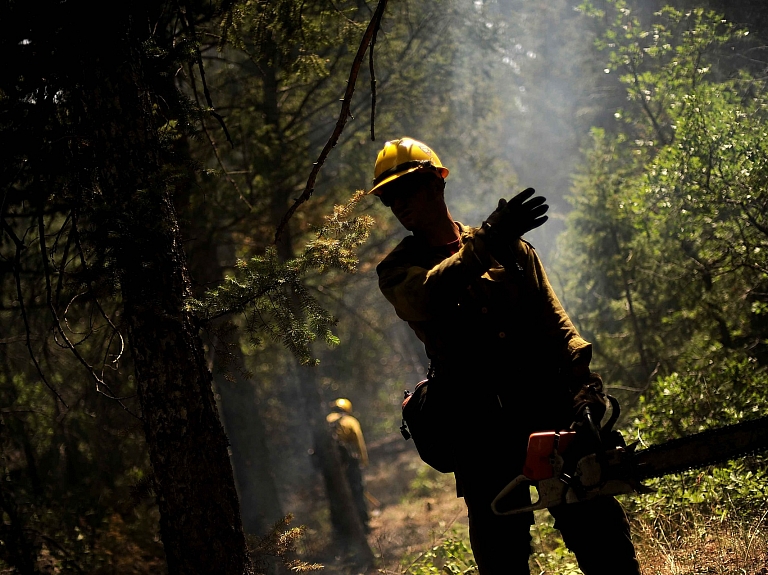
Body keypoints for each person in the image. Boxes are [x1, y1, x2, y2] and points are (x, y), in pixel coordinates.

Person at [369, 137, 640, 575]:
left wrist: (585, 385)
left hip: (550, 411)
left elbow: (555, 321)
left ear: (438, 183)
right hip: (479, 430)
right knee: (503, 561)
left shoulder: (508, 248)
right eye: (389, 197)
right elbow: (426, 298)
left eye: (408, 189)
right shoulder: (399, 270)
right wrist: (489, 240)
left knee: (603, 541)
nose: (399, 204)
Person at [326, 398, 370, 533]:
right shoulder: (350, 421)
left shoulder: (326, 421)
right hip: (350, 466)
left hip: (330, 468)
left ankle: (339, 530)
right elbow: (359, 443)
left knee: (334, 497)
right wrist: (363, 461)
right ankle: (363, 524)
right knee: (357, 492)